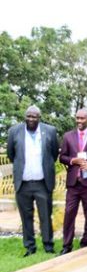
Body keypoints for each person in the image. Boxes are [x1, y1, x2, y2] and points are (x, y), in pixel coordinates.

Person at [7, 105, 59, 257]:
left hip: (42, 183)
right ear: (25, 117)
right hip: (23, 184)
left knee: (45, 216)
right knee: (26, 217)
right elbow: (12, 154)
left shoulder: (50, 131)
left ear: (39, 118)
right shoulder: (14, 131)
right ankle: (30, 246)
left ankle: (48, 245)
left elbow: (54, 154)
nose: (31, 119)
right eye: (28, 116)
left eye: (34, 116)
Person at [58, 109, 87, 255]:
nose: (79, 121)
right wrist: (73, 160)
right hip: (73, 182)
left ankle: (85, 241)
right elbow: (62, 157)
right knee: (69, 212)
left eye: (82, 118)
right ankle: (67, 245)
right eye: (77, 118)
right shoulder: (67, 136)